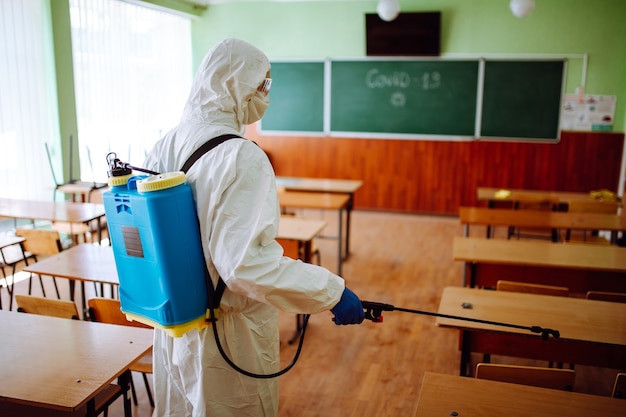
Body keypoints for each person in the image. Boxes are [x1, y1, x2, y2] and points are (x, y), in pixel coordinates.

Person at [143, 38, 365, 417]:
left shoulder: (165, 143)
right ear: (237, 84)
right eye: (263, 83)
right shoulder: (240, 155)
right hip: (226, 337)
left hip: (174, 326)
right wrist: (331, 291)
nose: (266, 93)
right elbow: (246, 266)